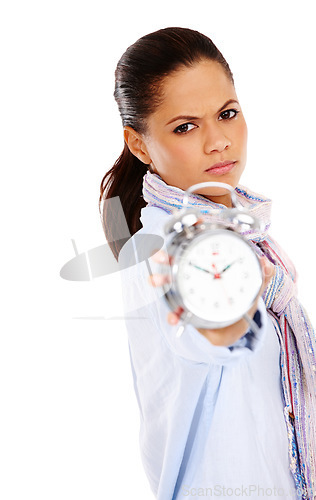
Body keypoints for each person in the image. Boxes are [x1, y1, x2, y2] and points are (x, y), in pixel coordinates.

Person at [99, 27, 316, 499]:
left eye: (227, 114)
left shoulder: (237, 231)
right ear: (139, 145)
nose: (218, 141)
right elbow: (210, 334)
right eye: (185, 126)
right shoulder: (173, 246)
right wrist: (229, 305)